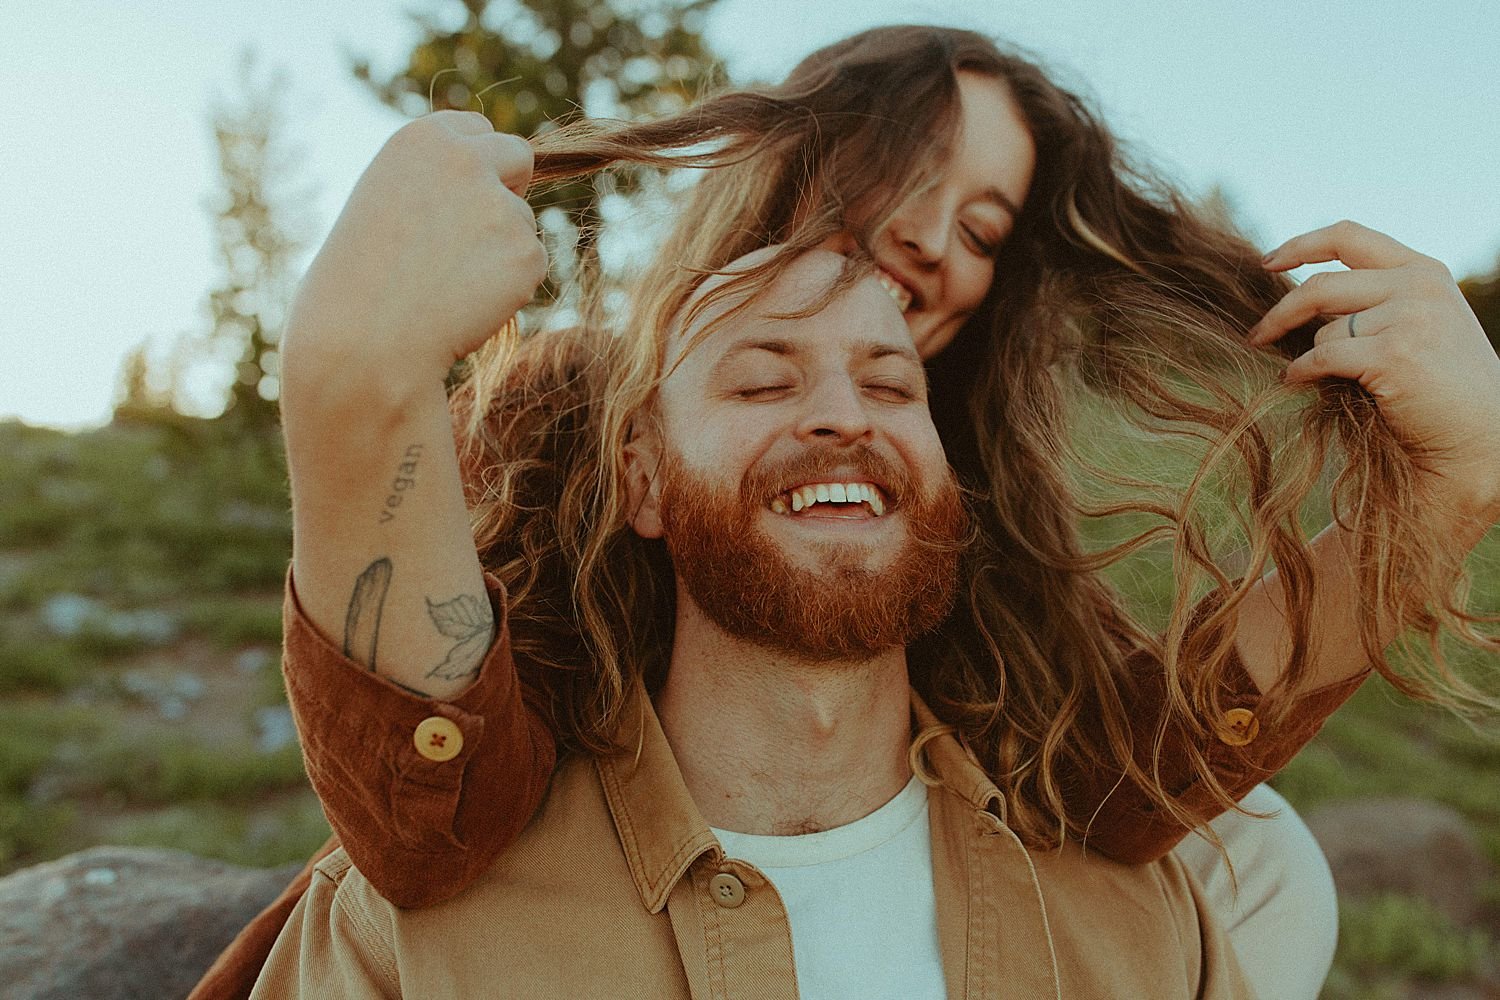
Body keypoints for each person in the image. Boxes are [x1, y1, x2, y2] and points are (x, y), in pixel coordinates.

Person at [193, 23, 1500, 1000]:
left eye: (983, 226)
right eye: (907, 175)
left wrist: (1455, 479)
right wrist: (354, 370)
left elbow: (1123, 777)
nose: (933, 241)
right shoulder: (572, 421)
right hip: (613, 883)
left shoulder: (963, 498)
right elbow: (432, 792)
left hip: (939, 870)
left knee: (1260, 861)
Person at [253, 246, 1260, 997]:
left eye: (889, 383)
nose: (842, 416)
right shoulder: (420, 938)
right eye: (762, 381)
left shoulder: (1137, 918)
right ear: (645, 484)